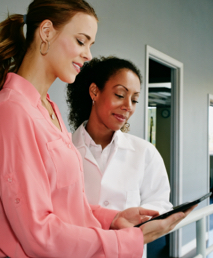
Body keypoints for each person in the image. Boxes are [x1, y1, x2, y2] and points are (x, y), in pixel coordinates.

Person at [0, 1, 194, 257]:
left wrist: (113, 219)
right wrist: (127, 239)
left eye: (90, 45)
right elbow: (38, 234)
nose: (88, 55)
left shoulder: (49, 109)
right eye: (81, 41)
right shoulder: (12, 111)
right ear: (46, 32)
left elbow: (67, 208)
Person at [67, 56, 174, 257]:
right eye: (119, 95)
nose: (128, 106)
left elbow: (160, 204)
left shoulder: (145, 152)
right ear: (94, 92)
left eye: (134, 99)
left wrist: (141, 219)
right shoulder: (64, 149)